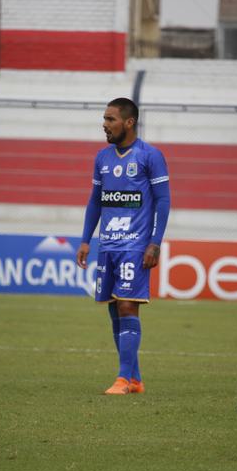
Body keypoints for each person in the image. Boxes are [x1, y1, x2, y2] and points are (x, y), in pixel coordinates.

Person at [77, 97, 171, 395]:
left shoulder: (150, 156)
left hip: (136, 245)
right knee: (114, 309)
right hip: (108, 245)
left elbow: (163, 200)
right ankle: (135, 379)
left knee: (128, 306)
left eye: (110, 119)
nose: (104, 125)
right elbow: (96, 201)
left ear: (129, 122)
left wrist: (155, 242)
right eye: (104, 119)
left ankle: (122, 379)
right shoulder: (102, 158)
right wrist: (86, 240)